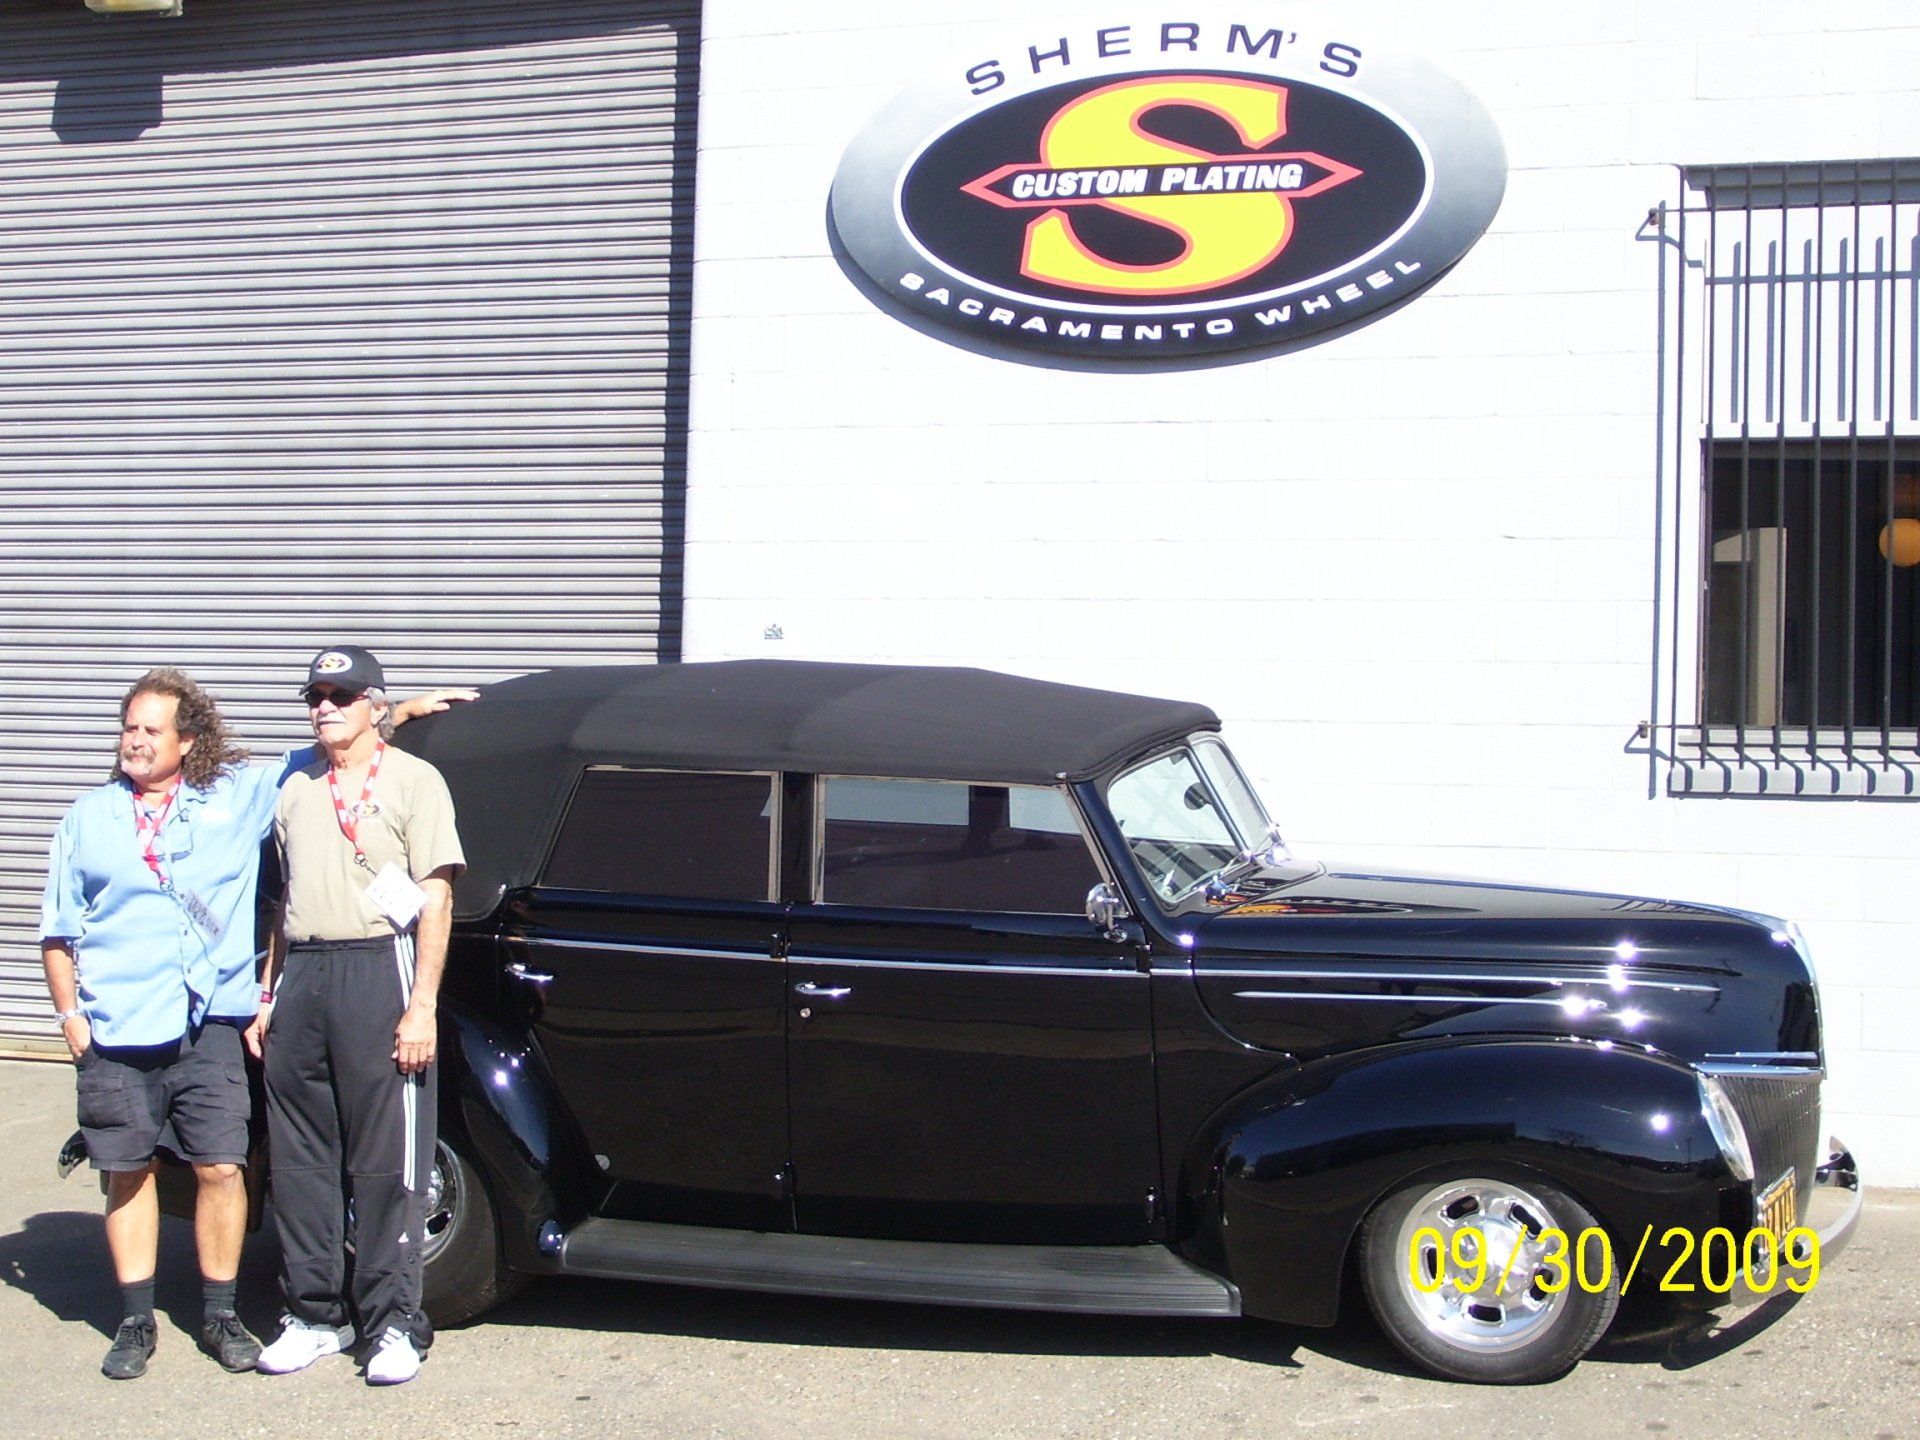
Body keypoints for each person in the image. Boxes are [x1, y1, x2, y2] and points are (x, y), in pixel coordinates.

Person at [41, 667, 471, 1381]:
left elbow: (419, 874)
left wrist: (402, 713)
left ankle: (328, 1321)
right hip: (176, 1007)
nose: (136, 741)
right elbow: (62, 930)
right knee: (215, 1166)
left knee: (299, 1163)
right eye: (129, 728)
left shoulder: (266, 790)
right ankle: (235, 1317)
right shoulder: (99, 816)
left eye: (153, 730)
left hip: (288, 996)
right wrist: (71, 1017)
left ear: (188, 740)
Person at [246, 645, 465, 1387]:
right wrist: (269, 993)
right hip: (305, 970)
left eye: (341, 694)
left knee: (385, 1162)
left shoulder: (415, 781)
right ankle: (313, 1314)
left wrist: (422, 1007)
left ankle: (393, 1323)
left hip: (381, 967)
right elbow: (281, 901)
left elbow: (435, 896)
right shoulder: (296, 787)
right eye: (315, 694)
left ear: (376, 706)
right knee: (302, 1160)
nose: (324, 706)